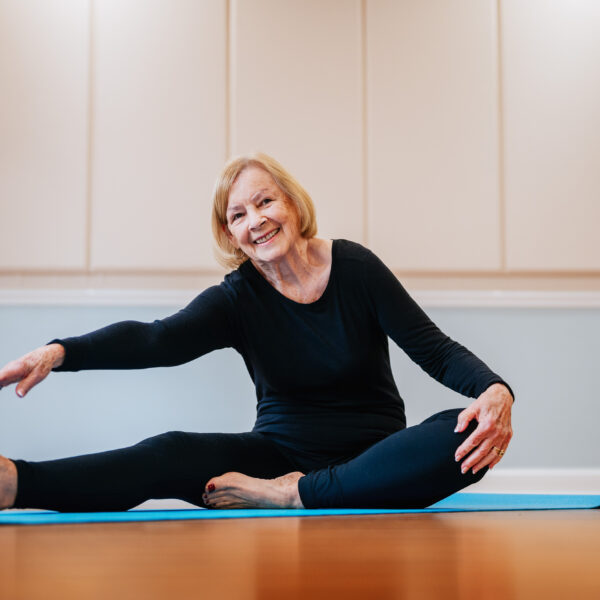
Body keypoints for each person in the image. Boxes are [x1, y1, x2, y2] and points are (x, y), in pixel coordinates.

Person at [0, 152, 514, 512]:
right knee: (170, 451)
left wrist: (494, 389)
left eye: (265, 202)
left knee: (468, 433)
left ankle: (298, 494)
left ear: (291, 203)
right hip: (274, 457)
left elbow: (435, 350)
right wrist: (60, 351)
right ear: (231, 235)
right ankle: (17, 482)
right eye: (238, 215)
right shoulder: (237, 297)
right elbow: (156, 339)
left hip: (374, 459)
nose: (257, 221)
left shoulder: (355, 267)